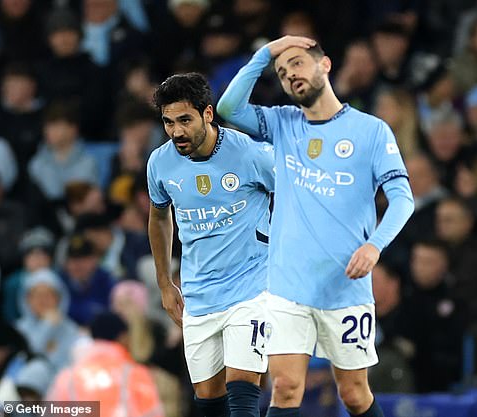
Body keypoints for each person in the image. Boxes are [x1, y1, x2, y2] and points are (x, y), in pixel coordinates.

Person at [217, 36, 414, 417]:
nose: (290, 74)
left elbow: (403, 198)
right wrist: (267, 53)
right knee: (286, 388)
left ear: (325, 65)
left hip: (345, 287)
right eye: (282, 72)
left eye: (297, 64)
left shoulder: (371, 131)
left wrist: (375, 246)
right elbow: (228, 106)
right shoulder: (282, 123)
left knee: (354, 394)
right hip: (287, 285)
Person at [147, 72, 275, 417]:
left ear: (207, 114)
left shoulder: (250, 154)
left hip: (253, 287)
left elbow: (296, 195)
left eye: (184, 120)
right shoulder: (160, 163)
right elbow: (159, 217)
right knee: (208, 402)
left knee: (243, 390)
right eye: (168, 122)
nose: (176, 131)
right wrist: (164, 283)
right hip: (199, 293)